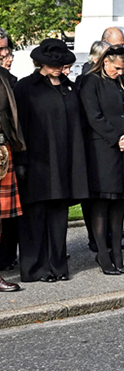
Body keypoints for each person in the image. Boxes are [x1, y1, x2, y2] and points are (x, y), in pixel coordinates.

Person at [13, 39, 88, 283]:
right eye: (53, 64)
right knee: (35, 216)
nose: (58, 68)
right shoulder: (26, 87)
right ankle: (36, 268)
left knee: (58, 216)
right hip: (37, 162)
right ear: (41, 63)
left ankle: (58, 266)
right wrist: (21, 160)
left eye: (62, 64)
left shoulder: (71, 88)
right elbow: (19, 127)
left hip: (64, 161)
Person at [77, 45, 124, 274]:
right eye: (117, 68)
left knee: (119, 202)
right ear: (105, 61)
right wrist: (117, 138)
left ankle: (117, 253)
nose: (120, 72)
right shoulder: (90, 81)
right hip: (102, 149)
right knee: (101, 201)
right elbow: (93, 116)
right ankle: (103, 254)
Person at [0, 27, 26, 292]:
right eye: (0, 50)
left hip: (3, 151)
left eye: (6, 48)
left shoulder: (5, 78)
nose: (5, 54)